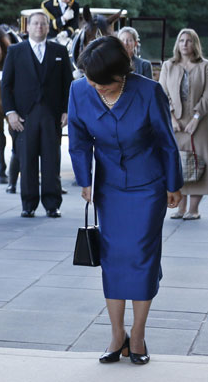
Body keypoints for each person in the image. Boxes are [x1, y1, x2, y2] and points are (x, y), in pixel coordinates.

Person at [68, 36, 182, 365]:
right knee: (114, 258)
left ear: (121, 74)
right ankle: (117, 335)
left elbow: (166, 141)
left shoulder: (148, 91)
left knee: (143, 256)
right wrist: (85, 180)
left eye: (101, 83)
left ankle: (139, 335)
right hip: (109, 188)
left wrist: (174, 184)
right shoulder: (79, 90)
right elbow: (78, 139)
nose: (94, 87)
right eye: (90, 80)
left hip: (148, 187)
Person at [2, 11, 72, 217]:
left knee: (52, 161)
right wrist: (10, 113)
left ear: (48, 28)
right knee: (27, 160)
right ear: (28, 27)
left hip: (52, 115)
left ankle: (52, 204)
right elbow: (6, 86)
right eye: (35, 23)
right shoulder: (15, 51)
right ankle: (28, 204)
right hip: (24, 116)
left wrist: (67, 110)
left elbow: (68, 85)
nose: (39, 27)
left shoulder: (59, 51)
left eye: (43, 24)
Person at [159, 28, 208, 220]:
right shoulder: (168, 66)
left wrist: (196, 117)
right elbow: (162, 92)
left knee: (199, 162)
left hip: (200, 121)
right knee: (178, 163)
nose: (185, 44)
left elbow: (207, 95)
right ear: (177, 44)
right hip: (175, 122)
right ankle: (180, 208)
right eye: (181, 41)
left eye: (188, 41)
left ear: (195, 44)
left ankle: (193, 209)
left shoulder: (205, 66)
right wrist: (171, 117)